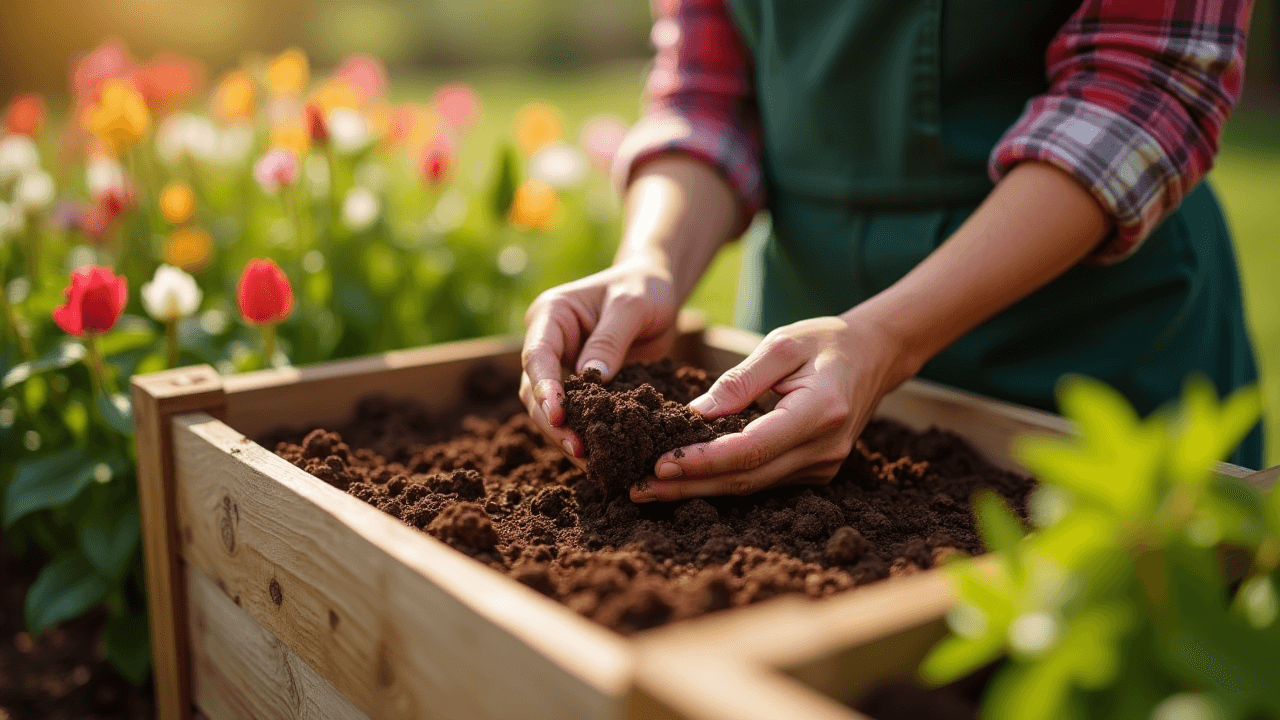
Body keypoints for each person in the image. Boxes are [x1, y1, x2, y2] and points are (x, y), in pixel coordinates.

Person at [519, 0, 1263, 503]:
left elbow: (1143, 89)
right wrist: (653, 259)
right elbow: (708, 91)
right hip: (797, 343)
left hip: (1086, 349)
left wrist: (886, 337)